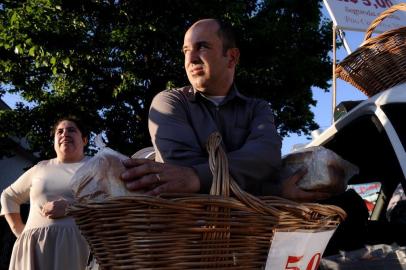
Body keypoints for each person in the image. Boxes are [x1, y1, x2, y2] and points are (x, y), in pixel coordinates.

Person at [121, 18, 328, 202]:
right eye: (185, 50)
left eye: (201, 47)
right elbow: (180, 179)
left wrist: (196, 176)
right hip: (189, 233)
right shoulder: (169, 102)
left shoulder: (257, 108)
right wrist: (273, 191)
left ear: (231, 57)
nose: (190, 59)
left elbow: (266, 159)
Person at [0, 117, 90, 270]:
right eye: (59, 132)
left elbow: (114, 202)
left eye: (71, 130)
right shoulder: (40, 168)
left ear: (84, 140)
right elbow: (8, 196)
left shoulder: (98, 165)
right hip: (35, 250)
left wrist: (72, 207)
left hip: (80, 248)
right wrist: (19, 230)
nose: (64, 134)